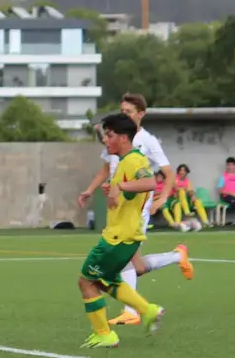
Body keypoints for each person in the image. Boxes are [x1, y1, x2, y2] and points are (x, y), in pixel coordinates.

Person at [78, 93, 191, 326]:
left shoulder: (147, 142)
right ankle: (176, 256)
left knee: (116, 266)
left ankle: (133, 310)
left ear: (141, 114)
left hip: (135, 211)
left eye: (129, 111)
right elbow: (106, 167)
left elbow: (165, 174)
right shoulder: (115, 137)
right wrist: (91, 189)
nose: (124, 114)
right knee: (135, 266)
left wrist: (162, 198)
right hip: (117, 209)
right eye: (122, 110)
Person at [78, 113, 165, 349]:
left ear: (124, 138)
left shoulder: (134, 160)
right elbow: (130, 193)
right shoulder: (125, 161)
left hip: (118, 238)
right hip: (124, 236)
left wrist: (121, 187)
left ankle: (104, 334)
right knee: (107, 281)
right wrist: (115, 190)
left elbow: (149, 183)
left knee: (86, 281)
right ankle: (147, 310)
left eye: (110, 135)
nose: (106, 140)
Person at [172, 164, 210, 228]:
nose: (182, 172)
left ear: (186, 172)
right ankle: (179, 222)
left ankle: (205, 221)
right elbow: (176, 188)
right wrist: (185, 189)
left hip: (186, 201)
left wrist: (192, 195)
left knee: (197, 201)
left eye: (184, 170)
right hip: (176, 200)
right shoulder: (174, 179)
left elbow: (190, 191)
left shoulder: (188, 181)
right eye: (180, 170)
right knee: (181, 193)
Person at [215, 157, 235, 226]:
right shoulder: (223, 177)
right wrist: (232, 193)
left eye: (232, 165)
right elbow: (220, 191)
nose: (230, 167)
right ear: (226, 166)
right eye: (228, 165)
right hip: (227, 196)